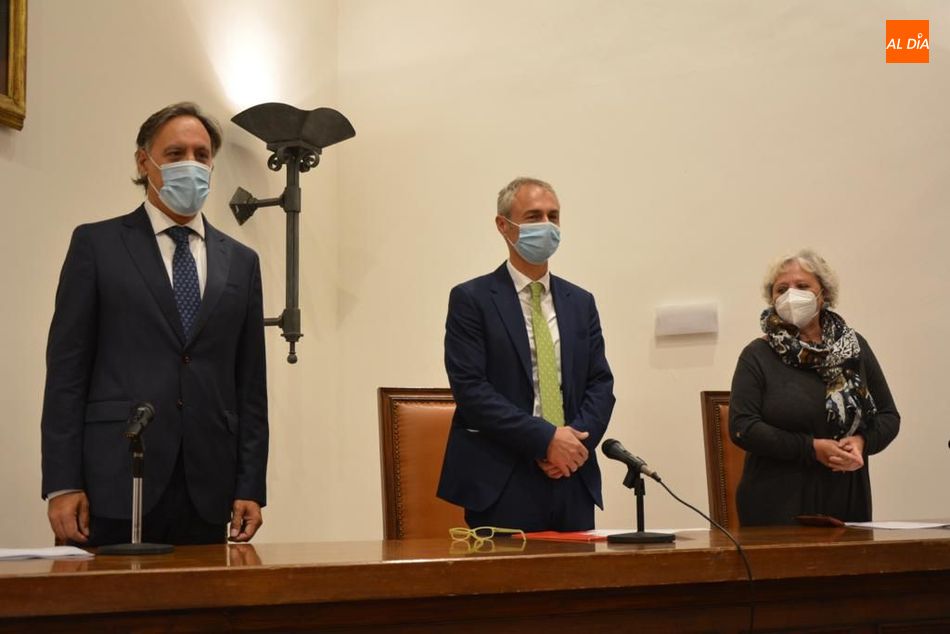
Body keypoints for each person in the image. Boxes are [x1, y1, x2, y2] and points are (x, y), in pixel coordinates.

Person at [41, 102, 269, 546]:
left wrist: (250, 485)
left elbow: (250, 386)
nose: (191, 165)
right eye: (175, 153)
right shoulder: (97, 245)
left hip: (208, 487)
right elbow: (67, 374)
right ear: (144, 162)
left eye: (201, 155)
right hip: (112, 481)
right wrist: (63, 483)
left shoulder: (242, 262)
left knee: (202, 613)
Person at [437, 177, 615, 532]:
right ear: (504, 226)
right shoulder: (472, 300)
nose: (546, 226)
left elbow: (600, 383)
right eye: (534, 217)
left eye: (554, 216)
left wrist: (572, 444)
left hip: (571, 475)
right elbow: (471, 390)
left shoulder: (580, 302)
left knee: (579, 585)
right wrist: (546, 439)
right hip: (502, 477)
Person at [729, 249, 899, 525]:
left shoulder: (854, 348)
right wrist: (810, 448)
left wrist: (861, 442)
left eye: (802, 286)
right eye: (781, 289)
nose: (790, 295)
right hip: (776, 499)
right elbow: (743, 427)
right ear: (771, 300)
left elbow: (888, 417)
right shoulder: (757, 354)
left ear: (824, 294)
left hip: (846, 494)